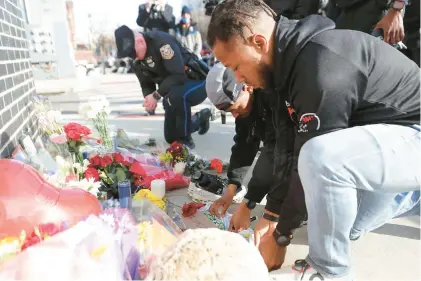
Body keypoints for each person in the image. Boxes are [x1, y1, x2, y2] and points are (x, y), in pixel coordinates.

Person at [206, 0, 420, 280]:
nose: (239, 78)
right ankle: (410, 196)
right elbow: (285, 147)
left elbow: (310, 155)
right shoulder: (287, 69)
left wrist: (281, 235)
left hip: (412, 132)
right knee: (347, 225)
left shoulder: (320, 66)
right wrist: (272, 217)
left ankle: (328, 270)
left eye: (236, 66)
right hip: (388, 139)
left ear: (258, 42)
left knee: (320, 156)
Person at [206, 62, 279, 232]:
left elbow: (275, 151)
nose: (235, 115)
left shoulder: (272, 94)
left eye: (235, 108)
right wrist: (231, 190)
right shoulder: (245, 106)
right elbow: (244, 145)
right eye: (230, 111)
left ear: (247, 88)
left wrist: (248, 204)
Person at [114, 25, 212, 149]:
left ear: (140, 41)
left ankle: (185, 140)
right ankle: (200, 118)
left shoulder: (162, 43)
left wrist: (156, 95)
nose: (134, 57)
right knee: (171, 137)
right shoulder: (136, 61)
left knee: (176, 95)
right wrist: (149, 98)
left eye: (134, 53)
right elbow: (146, 84)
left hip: (196, 82)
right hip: (172, 91)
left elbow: (178, 75)